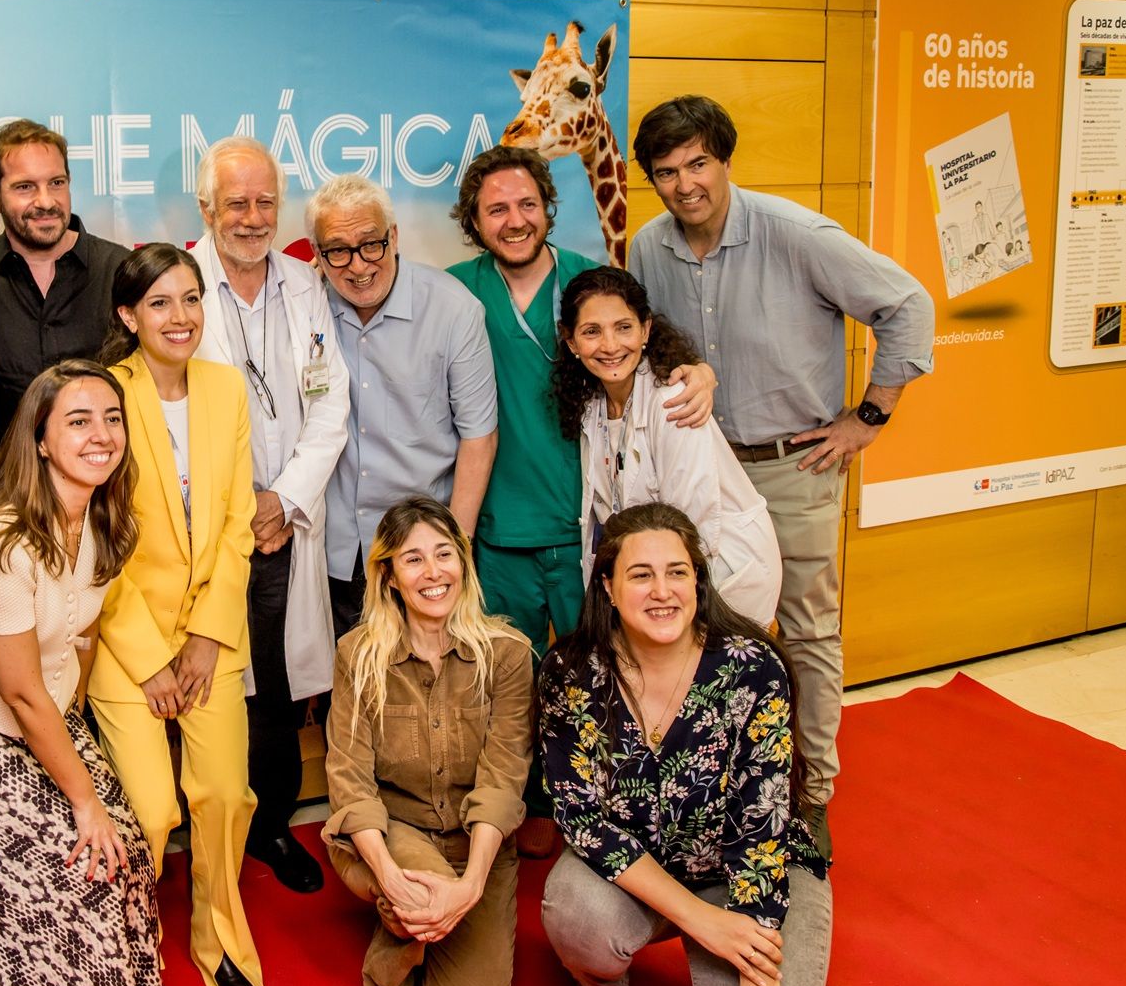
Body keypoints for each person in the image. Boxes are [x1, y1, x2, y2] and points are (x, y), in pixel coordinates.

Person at [630, 94, 933, 854]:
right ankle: (718, 784)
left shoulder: (797, 235)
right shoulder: (645, 247)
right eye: (666, 172)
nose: (684, 183)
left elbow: (908, 305)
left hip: (792, 466)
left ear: (724, 159)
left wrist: (868, 417)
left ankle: (811, 792)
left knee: (804, 634)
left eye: (698, 163)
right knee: (698, 633)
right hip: (697, 473)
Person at [446, 146, 713, 857]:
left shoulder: (587, 284)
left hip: (589, 529)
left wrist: (699, 368)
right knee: (515, 685)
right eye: (496, 208)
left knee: (613, 677)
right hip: (500, 531)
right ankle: (531, 801)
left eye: (527, 203)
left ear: (547, 206)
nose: (515, 219)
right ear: (473, 219)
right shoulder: (455, 291)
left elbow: (652, 344)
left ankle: (630, 808)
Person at [0, 361, 168, 986]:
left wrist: (88, 774)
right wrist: (84, 798)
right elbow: (21, 692)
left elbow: (72, 649)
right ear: (39, 437)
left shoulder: (100, 520)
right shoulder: (0, 540)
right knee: (75, 873)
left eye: (113, 418)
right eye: (80, 420)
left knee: (130, 851)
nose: (102, 434)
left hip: (48, 724)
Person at [538, 503, 831, 986]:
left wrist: (758, 974)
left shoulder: (752, 668)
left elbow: (760, 824)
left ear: (698, 579)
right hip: (641, 875)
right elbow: (581, 818)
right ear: (606, 585)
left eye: (677, 572)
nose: (662, 590)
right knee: (575, 910)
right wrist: (703, 923)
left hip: (744, 874)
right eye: (640, 574)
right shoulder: (572, 673)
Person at [95, 243, 267, 986]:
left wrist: (207, 635)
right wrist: (150, 658)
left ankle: (219, 933)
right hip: (123, 636)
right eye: (160, 302)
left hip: (210, 632)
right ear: (128, 316)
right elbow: (92, 538)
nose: (180, 316)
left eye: (191, 298)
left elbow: (237, 522)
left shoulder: (225, 389)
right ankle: (127, 940)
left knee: (226, 792)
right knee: (149, 808)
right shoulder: (102, 394)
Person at [188, 136, 347, 897]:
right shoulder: (179, 282)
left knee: (279, 687)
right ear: (206, 208)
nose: (252, 218)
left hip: (284, 523)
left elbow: (330, 404)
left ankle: (275, 823)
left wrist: (282, 499)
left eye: (264, 203)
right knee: (214, 681)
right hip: (209, 529)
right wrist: (239, 507)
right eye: (236, 202)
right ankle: (210, 829)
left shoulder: (305, 285)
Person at [323, 497, 532, 986]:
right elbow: (351, 782)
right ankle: (392, 952)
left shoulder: (508, 655)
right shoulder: (357, 655)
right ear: (389, 576)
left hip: (477, 843)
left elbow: (503, 783)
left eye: (444, 554)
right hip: (396, 832)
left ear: (463, 562)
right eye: (413, 559)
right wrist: (390, 880)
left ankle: (424, 921)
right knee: (416, 898)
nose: (433, 572)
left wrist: (471, 886)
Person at [307, 173, 497, 636]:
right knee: (349, 689)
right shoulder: (306, 309)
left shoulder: (454, 309)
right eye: (338, 251)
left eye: (370, 244)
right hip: (337, 550)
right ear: (318, 255)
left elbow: (479, 436)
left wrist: (455, 547)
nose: (357, 266)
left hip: (422, 550)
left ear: (394, 237)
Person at [552, 266, 782, 626]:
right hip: (657, 580)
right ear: (571, 343)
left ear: (645, 330)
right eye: (592, 332)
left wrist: (665, 602)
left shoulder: (673, 400)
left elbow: (695, 522)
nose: (610, 345)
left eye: (624, 327)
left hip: (716, 576)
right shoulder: (592, 403)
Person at [0, 119, 131, 434]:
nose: (45, 201)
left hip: (106, 478)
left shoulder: (120, 270)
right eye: (25, 186)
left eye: (56, 183)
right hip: (3, 480)